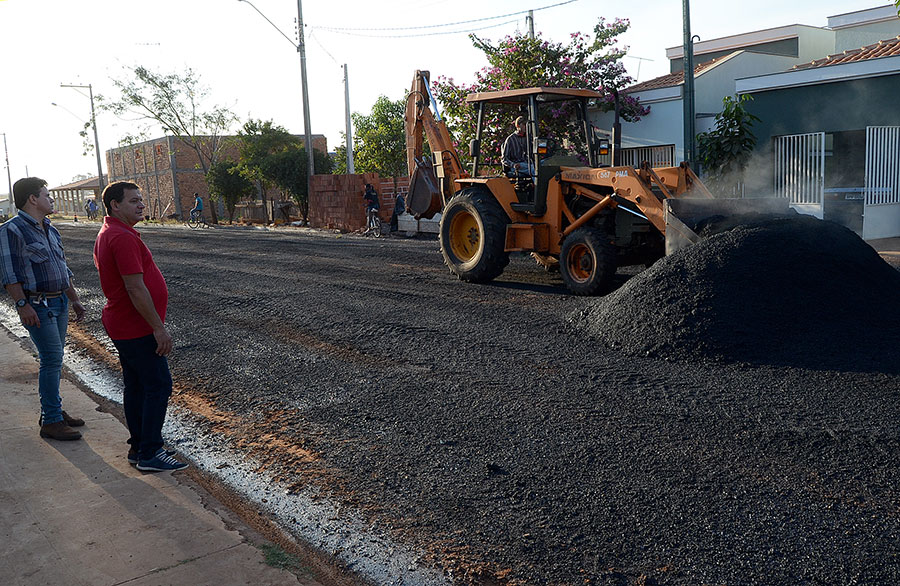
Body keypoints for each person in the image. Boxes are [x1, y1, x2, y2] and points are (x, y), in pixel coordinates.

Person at [93, 181, 188, 472]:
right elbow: (135, 288)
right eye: (134, 200)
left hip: (124, 323)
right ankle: (150, 452)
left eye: (141, 200)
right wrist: (158, 328)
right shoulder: (120, 237)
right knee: (158, 385)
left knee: (136, 385)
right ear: (115, 205)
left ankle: (139, 446)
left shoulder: (114, 231)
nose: (141, 205)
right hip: (135, 326)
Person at [0, 177, 86, 440]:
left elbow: (62, 268)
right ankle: (51, 420)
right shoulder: (11, 230)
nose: (51, 199)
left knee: (56, 358)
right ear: (33, 199)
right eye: (46, 195)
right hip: (37, 305)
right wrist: (22, 304)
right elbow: (9, 273)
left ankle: (53, 411)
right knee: (51, 359)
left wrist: (74, 299)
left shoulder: (50, 228)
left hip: (58, 301)